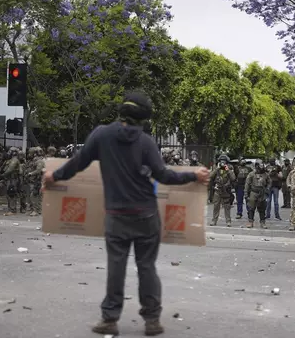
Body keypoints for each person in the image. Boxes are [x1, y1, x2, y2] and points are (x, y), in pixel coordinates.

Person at [42, 92, 209, 337]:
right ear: (143, 118)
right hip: (146, 216)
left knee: (116, 266)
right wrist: (193, 176)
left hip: (116, 216)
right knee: (147, 267)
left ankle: (109, 320)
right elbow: (163, 175)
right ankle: (152, 321)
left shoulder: (101, 135)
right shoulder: (146, 142)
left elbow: (79, 162)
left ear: (121, 111)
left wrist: (53, 176)